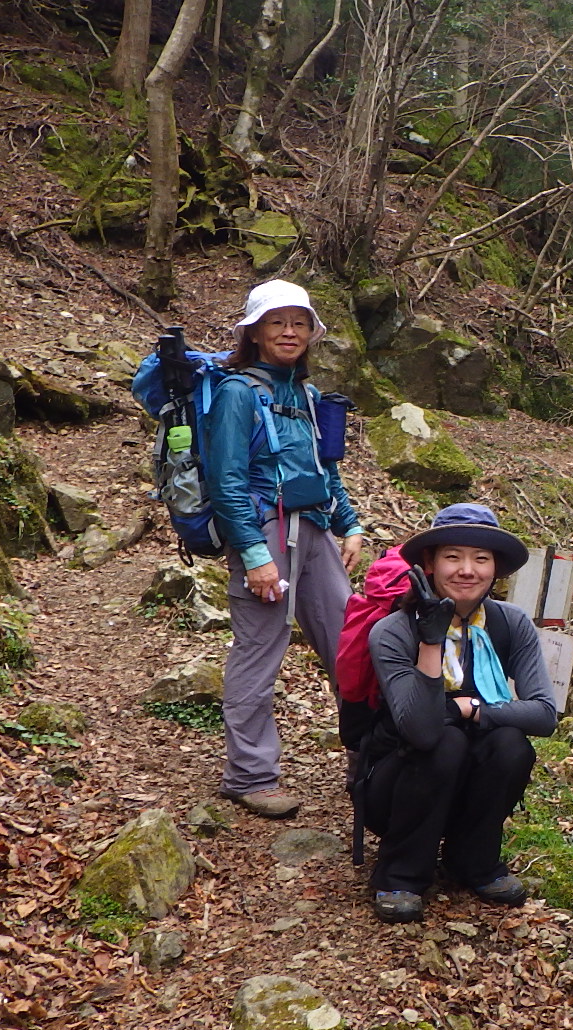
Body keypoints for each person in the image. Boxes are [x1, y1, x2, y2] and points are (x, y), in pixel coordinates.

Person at [209, 279, 366, 818]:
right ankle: (250, 776)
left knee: (352, 644)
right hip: (265, 532)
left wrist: (350, 524)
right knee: (259, 650)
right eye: (276, 322)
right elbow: (226, 481)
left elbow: (325, 468)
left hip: (316, 529)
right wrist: (254, 555)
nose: (289, 332)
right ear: (254, 332)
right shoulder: (236, 393)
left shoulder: (308, 395)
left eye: (299, 322)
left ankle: (370, 759)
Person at [363, 503, 557, 922]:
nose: (467, 570)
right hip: (396, 787)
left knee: (510, 744)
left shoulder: (510, 623)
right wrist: (431, 642)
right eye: (453, 556)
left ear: (495, 568)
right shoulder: (394, 630)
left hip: (469, 785)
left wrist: (473, 710)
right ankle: (400, 873)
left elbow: (544, 715)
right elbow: (421, 731)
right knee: (444, 742)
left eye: (481, 559)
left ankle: (474, 861)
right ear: (430, 564)